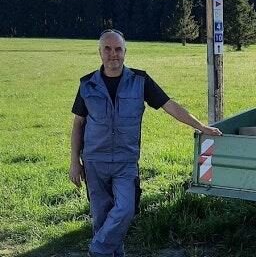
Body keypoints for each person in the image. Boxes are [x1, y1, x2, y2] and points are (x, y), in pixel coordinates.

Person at [69, 29, 222, 257]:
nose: (114, 54)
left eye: (118, 49)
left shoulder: (140, 81)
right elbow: (78, 124)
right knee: (101, 215)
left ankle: (98, 249)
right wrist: (74, 162)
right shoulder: (87, 84)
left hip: (125, 162)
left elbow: (170, 106)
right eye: (108, 49)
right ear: (100, 52)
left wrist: (201, 127)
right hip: (94, 161)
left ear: (125, 52)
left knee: (126, 209)